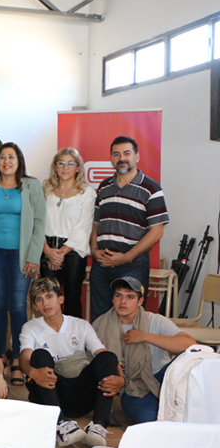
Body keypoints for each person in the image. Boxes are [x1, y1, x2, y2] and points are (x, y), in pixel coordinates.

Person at [20, 277, 124, 446]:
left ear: (60, 299)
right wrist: (31, 372)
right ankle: (61, 425)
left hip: (80, 394)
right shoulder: (30, 327)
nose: (45, 303)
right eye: (39, 299)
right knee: (39, 355)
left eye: (49, 296)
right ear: (35, 307)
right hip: (51, 395)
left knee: (109, 357)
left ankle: (98, 425)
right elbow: (24, 357)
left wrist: (122, 379)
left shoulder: (81, 325)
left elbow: (104, 355)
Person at [0, 142, 46, 383]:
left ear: (19, 161)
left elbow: (39, 222)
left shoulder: (32, 185)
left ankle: (18, 359)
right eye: (2, 157)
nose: (7, 161)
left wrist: (33, 257)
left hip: (21, 255)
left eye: (11, 157)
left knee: (17, 306)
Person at [93, 277, 195, 424]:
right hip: (132, 386)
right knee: (149, 421)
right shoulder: (100, 325)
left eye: (130, 297)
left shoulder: (154, 320)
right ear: (113, 299)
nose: (123, 301)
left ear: (140, 302)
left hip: (163, 376)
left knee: (191, 363)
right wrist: (121, 380)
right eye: (118, 296)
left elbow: (189, 344)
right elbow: (96, 364)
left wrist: (144, 336)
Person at [89, 136, 169, 319]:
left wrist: (126, 257)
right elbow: (96, 223)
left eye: (127, 153)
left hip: (133, 266)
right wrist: (94, 250)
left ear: (137, 157)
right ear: (111, 158)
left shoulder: (151, 188)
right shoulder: (103, 187)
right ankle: (103, 349)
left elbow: (157, 231)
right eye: (116, 154)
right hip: (101, 265)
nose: (121, 158)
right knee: (100, 318)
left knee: (131, 319)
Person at [42, 148, 96, 319]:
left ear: (78, 168)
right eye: (61, 163)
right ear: (55, 167)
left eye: (71, 163)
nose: (66, 167)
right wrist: (49, 252)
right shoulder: (46, 190)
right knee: (48, 300)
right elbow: (37, 222)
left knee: (72, 299)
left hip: (73, 252)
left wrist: (60, 253)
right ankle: (51, 341)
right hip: (47, 249)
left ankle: (74, 343)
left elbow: (84, 227)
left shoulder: (87, 193)